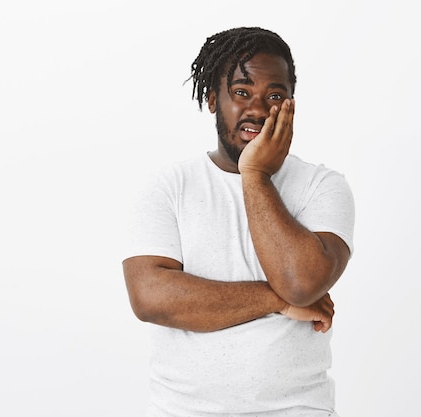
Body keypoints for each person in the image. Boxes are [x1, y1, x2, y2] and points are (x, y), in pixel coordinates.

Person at [122, 27, 355, 417]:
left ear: (291, 105)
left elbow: (302, 282)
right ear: (213, 99)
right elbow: (150, 297)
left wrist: (255, 175)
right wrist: (275, 300)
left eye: (275, 96)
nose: (259, 109)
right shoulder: (167, 186)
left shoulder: (323, 186)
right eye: (241, 92)